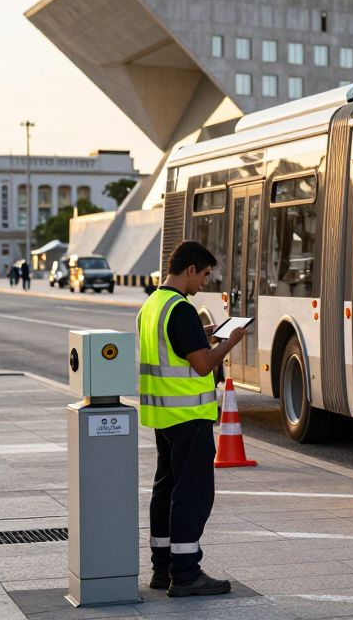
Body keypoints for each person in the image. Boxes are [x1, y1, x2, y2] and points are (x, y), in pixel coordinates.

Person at [138, 241, 245, 597]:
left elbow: (176, 347)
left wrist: (207, 334)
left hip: (164, 416)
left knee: (165, 489)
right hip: (189, 417)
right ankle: (186, 574)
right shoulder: (181, 309)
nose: (203, 283)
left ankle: (163, 568)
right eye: (203, 275)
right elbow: (202, 364)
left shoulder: (153, 305)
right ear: (189, 270)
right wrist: (231, 341)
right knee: (192, 494)